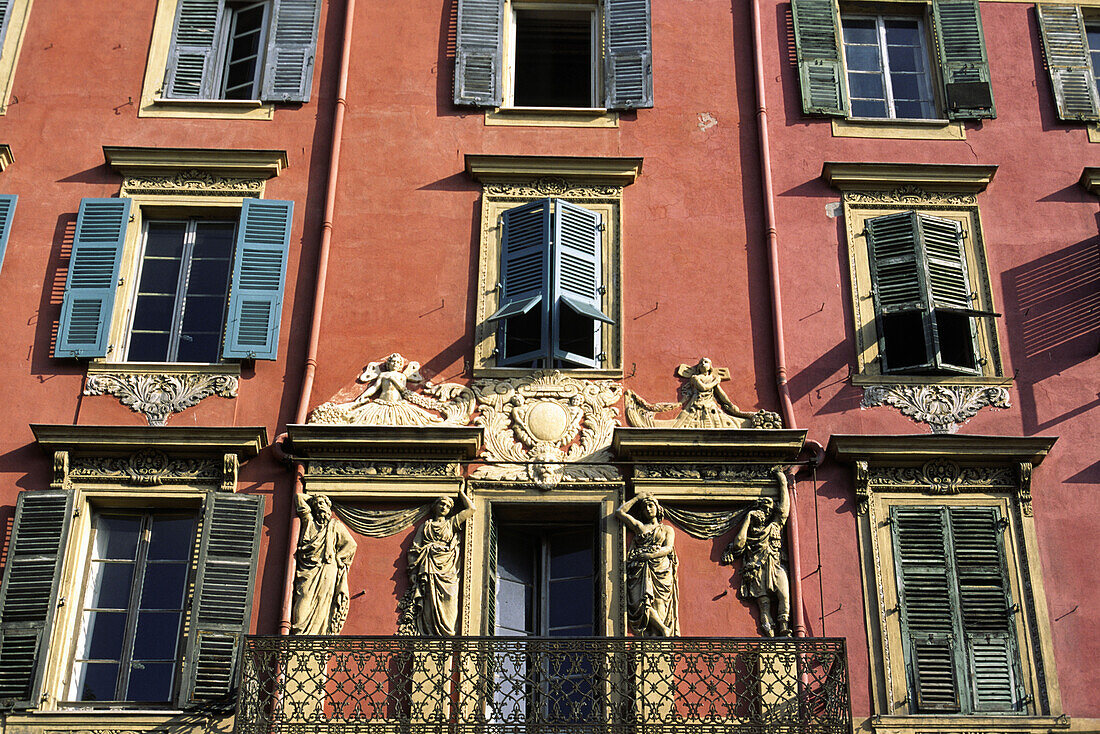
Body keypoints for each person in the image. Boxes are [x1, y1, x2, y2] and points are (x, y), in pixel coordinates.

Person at [722, 469, 791, 636]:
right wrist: (748, 518)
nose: (766, 512)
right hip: (757, 570)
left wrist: (782, 480)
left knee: (784, 595)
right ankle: (771, 637)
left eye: (768, 509)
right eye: (763, 508)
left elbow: (784, 509)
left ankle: (783, 626)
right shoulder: (750, 533)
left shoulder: (774, 525)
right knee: (764, 605)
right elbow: (739, 544)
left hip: (775, 565)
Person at [405, 491, 476, 636]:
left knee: (449, 598)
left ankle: (446, 634)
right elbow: (414, 548)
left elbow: (471, 509)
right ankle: (430, 634)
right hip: (429, 564)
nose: (444, 507)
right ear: (435, 506)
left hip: (447, 568)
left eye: (448, 506)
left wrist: (461, 492)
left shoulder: (451, 523)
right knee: (429, 600)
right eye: (441, 504)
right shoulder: (425, 526)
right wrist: (413, 571)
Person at [292, 493, 358, 635]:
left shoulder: (335, 526)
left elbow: (351, 544)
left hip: (328, 567)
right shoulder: (309, 522)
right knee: (304, 596)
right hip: (308, 570)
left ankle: (317, 635)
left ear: (329, 508)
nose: (320, 506)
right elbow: (298, 497)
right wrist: (313, 498)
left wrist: (339, 558)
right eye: (317, 505)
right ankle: (300, 634)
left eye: (322, 504)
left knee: (323, 600)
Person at [616, 493, 679, 637]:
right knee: (641, 601)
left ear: (657, 508)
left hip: (660, 567)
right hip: (639, 568)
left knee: (658, 601)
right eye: (644, 507)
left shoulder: (667, 530)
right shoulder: (640, 527)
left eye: (651, 505)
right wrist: (637, 498)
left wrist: (651, 555)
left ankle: (660, 632)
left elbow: (668, 548)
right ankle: (663, 629)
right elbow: (620, 512)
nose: (648, 509)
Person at [350, 352, 437, 426]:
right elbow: (375, 387)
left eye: (397, 362)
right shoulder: (383, 375)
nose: (395, 364)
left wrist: (393, 379)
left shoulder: (402, 376)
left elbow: (402, 389)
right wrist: (364, 395)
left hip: (397, 402)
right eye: (393, 362)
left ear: (400, 365)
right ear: (389, 364)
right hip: (382, 401)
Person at [674, 357, 753, 428]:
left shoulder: (711, 378)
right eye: (701, 363)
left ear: (710, 367)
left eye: (705, 362)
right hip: (696, 404)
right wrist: (716, 382)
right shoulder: (695, 378)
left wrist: (730, 405)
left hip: (710, 405)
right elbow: (703, 387)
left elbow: (720, 393)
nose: (703, 364)